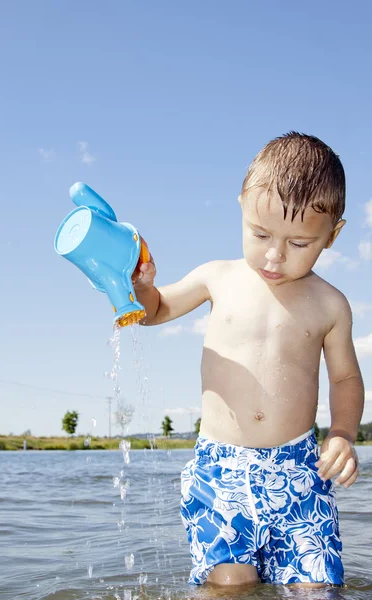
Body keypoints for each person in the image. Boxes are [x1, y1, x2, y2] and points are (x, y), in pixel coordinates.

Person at [132, 132, 364, 589]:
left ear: (332, 235)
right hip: (221, 468)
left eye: (299, 243)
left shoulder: (330, 304)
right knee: (228, 583)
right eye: (260, 235)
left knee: (315, 587)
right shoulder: (217, 277)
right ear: (241, 206)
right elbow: (153, 311)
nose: (274, 255)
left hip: (300, 469)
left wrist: (343, 434)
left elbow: (346, 378)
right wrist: (142, 284)